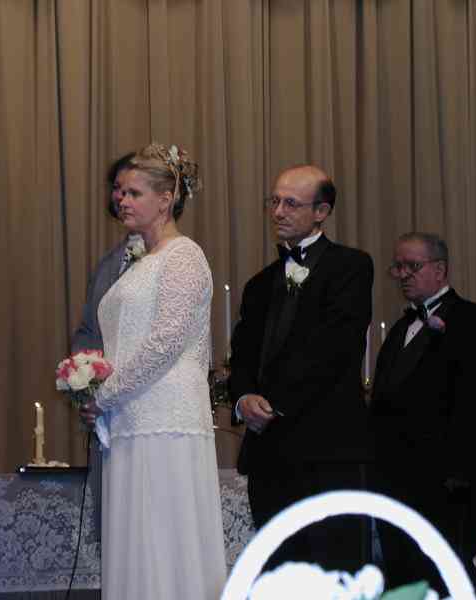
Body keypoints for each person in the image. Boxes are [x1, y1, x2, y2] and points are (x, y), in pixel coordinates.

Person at [79, 143, 226, 599]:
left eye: (133, 192)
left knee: (165, 535)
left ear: (166, 199)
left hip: (166, 421)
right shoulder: (139, 262)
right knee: (137, 540)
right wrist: (97, 389)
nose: (121, 200)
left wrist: (104, 395)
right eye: (120, 192)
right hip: (132, 420)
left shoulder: (184, 256)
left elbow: (165, 343)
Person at [229, 165, 374, 572]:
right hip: (269, 456)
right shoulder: (259, 284)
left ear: (321, 211)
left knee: (336, 571)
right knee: (279, 571)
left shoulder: (351, 267)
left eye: (291, 203)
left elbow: (334, 350)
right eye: (274, 201)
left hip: (328, 450)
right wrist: (243, 398)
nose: (278, 211)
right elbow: (242, 354)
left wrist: (273, 403)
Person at [370, 232, 476, 595]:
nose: (403, 275)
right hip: (393, 487)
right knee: (403, 584)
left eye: (412, 266)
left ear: (440, 270)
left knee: (448, 579)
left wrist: (455, 478)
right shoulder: (399, 330)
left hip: (446, 488)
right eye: (398, 267)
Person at [71, 151, 142, 353]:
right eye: (117, 188)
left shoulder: (171, 256)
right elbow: (88, 329)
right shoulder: (107, 263)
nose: (120, 197)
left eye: (132, 191)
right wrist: (83, 365)